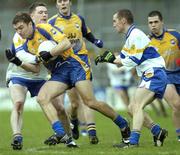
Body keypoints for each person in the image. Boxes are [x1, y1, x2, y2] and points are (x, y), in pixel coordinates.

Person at [11, 11, 131, 147]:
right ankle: (60, 133)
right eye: (16, 30)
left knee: (90, 102)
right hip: (59, 73)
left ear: (30, 24)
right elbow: (37, 69)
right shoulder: (28, 45)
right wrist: (18, 62)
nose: (19, 32)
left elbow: (66, 43)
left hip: (74, 66)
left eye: (21, 28)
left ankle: (123, 123)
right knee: (42, 98)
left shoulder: (44, 28)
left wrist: (49, 53)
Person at [6, 2, 75, 150]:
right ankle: (17, 136)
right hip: (19, 73)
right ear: (31, 18)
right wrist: (40, 57)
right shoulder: (20, 33)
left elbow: (61, 47)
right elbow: (21, 55)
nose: (44, 15)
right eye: (40, 12)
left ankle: (69, 138)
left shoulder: (47, 29)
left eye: (45, 12)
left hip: (38, 74)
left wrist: (50, 54)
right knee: (18, 103)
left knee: (60, 108)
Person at [95, 9, 168, 148]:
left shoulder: (136, 35)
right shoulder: (130, 36)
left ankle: (133, 142)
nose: (113, 25)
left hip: (154, 73)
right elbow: (121, 60)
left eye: (115, 21)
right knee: (131, 108)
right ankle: (158, 132)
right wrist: (106, 59)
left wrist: (112, 59)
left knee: (137, 106)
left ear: (123, 21)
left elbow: (132, 61)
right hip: (151, 74)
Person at [47, 0, 104, 144]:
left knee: (87, 99)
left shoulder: (79, 19)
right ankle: (74, 120)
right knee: (74, 103)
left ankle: (92, 132)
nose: (63, 3)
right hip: (66, 66)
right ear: (57, 5)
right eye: (60, 1)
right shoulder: (52, 22)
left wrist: (96, 41)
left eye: (65, 0)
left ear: (70, 3)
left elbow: (87, 33)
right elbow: (47, 43)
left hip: (82, 62)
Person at [148, 10, 180, 141]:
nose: (153, 25)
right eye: (150, 23)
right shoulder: (147, 41)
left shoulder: (175, 35)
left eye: (156, 22)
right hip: (164, 77)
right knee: (177, 104)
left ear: (162, 22)